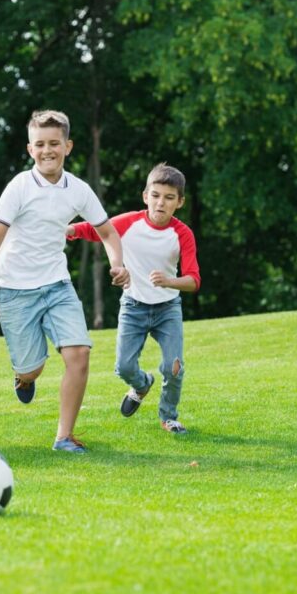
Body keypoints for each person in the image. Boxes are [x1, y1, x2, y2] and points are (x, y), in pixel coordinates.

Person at [0, 110, 130, 454]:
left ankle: (64, 437)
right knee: (33, 368)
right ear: (30, 149)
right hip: (15, 289)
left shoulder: (79, 189)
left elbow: (108, 232)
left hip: (57, 285)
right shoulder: (19, 187)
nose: (47, 150)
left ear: (67, 146)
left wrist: (117, 263)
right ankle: (23, 376)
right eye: (40, 144)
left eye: (54, 144)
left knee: (79, 354)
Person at [67, 162, 201, 434]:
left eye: (169, 198)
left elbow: (193, 280)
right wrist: (67, 230)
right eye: (155, 195)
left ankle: (169, 417)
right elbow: (95, 230)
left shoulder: (183, 234)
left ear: (180, 202)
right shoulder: (129, 223)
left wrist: (169, 281)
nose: (160, 203)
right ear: (145, 196)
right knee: (124, 367)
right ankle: (141, 385)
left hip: (167, 309)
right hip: (133, 306)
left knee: (173, 367)